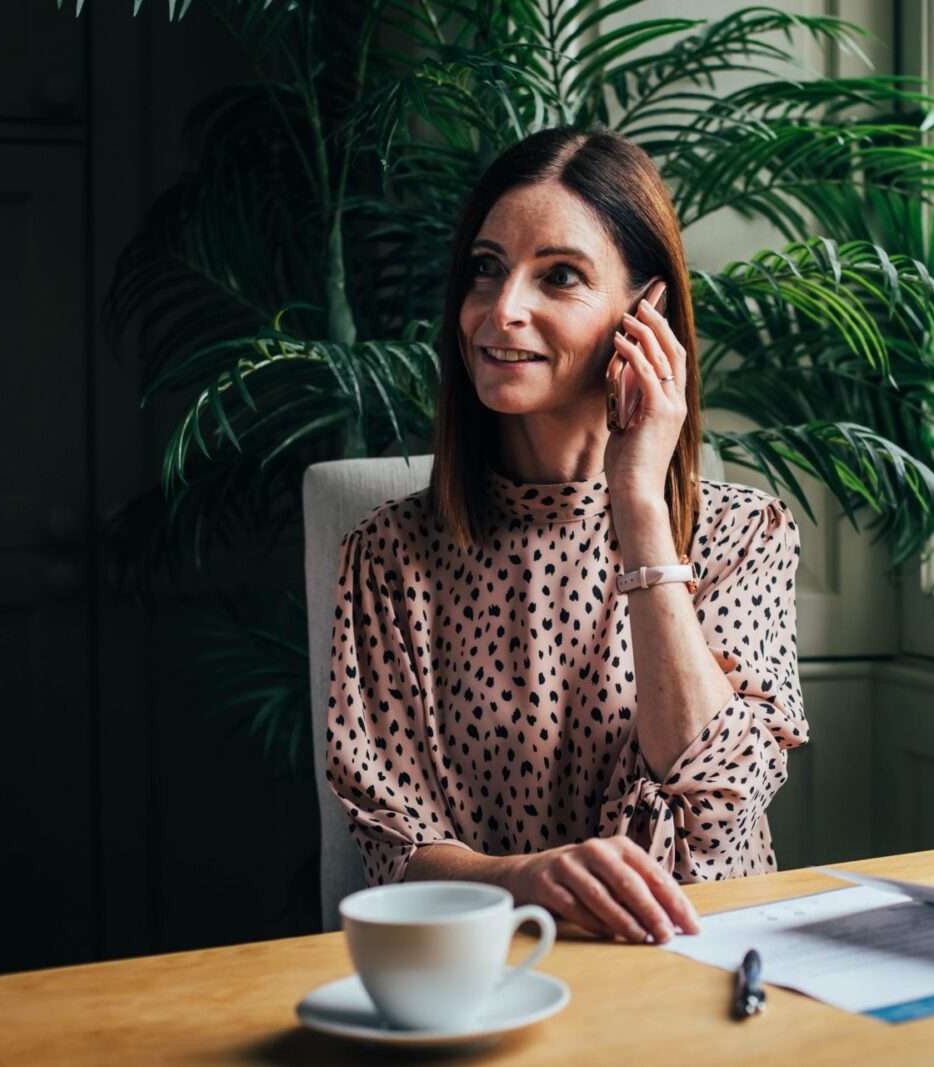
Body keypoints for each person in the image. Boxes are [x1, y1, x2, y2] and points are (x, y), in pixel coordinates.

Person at [325, 127, 808, 946]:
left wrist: (639, 505)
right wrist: (523, 878)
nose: (501, 309)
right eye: (486, 268)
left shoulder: (740, 534)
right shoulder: (388, 558)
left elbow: (721, 797)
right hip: (495, 972)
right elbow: (391, 845)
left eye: (559, 276)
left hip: (710, 963)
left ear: (643, 314)